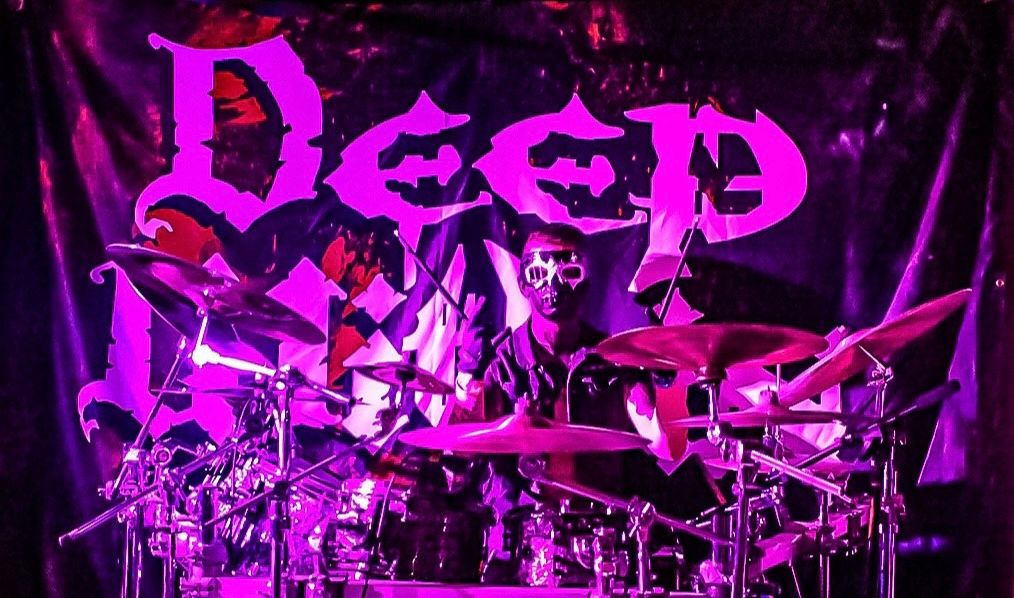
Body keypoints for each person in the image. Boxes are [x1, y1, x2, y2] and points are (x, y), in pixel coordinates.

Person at [454, 223, 720, 581]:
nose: (553, 284)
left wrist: (663, 373)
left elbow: (662, 445)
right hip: (518, 547)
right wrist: (466, 381)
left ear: (588, 280)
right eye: (538, 273)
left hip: (603, 543)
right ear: (522, 284)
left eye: (569, 271)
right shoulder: (504, 363)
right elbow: (457, 462)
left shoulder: (614, 359)